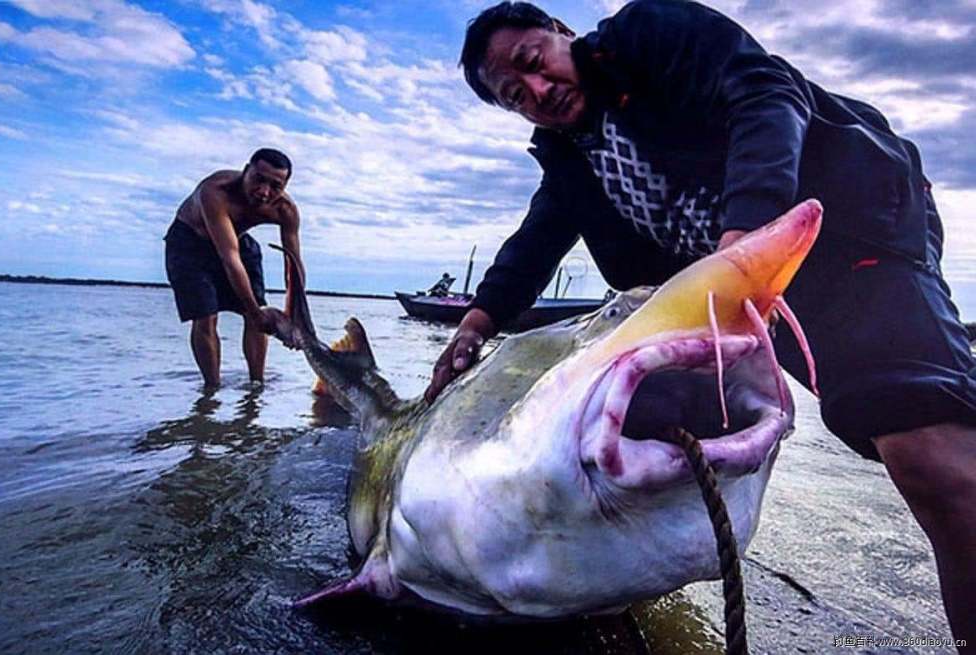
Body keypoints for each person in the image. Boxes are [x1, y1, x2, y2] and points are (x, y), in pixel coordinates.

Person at [425, 2, 975, 648]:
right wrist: (474, 325)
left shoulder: (648, 36)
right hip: (771, 294)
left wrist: (739, 241)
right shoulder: (573, 165)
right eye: (516, 96)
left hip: (851, 223)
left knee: (929, 456)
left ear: (562, 34)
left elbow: (766, 88)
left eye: (532, 62)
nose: (539, 91)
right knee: (889, 433)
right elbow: (533, 244)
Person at [165, 148, 303, 389]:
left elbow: (294, 264)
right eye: (258, 179)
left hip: (238, 241)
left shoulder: (285, 210)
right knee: (206, 317)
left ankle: (256, 386)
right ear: (246, 171)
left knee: (257, 310)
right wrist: (257, 314)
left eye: (275, 186)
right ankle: (212, 390)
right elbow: (230, 258)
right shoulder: (215, 191)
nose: (264, 192)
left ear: (285, 185)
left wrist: (297, 317)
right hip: (189, 244)